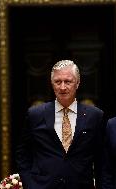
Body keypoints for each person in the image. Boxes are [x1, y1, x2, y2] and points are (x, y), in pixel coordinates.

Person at [16, 60, 105, 189]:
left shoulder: (94, 116)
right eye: (58, 82)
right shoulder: (35, 114)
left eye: (68, 81)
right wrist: (30, 184)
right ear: (52, 84)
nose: (62, 87)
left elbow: (101, 158)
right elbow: (22, 153)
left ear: (77, 83)